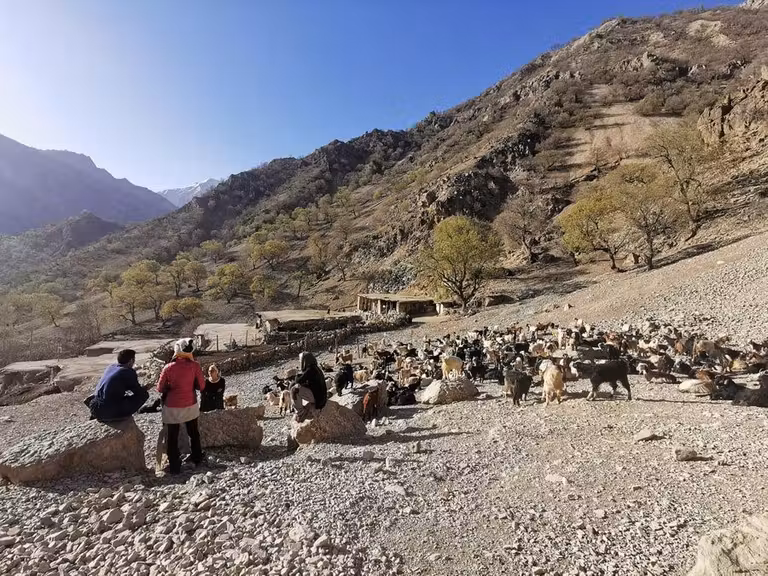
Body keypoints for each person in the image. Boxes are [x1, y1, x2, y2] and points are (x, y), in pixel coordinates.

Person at [157, 338, 206, 475]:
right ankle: (196, 458)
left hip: (172, 407)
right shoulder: (195, 366)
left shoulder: (168, 367)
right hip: (190, 404)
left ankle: (174, 465)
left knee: (172, 436)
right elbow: (202, 386)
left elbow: (160, 388)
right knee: (194, 433)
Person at [88, 349, 149, 422]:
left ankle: (98, 415)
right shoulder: (128, 372)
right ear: (131, 360)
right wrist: (146, 387)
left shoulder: (111, 367)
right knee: (144, 395)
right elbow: (138, 391)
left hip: (94, 406)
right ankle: (119, 417)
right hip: (108, 410)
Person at [291, 351, 327, 422]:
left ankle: (300, 413)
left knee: (294, 390)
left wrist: (297, 374)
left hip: (318, 400)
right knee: (295, 386)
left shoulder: (310, 370)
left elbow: (298, 380)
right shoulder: (315, 368)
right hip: (321, 397)